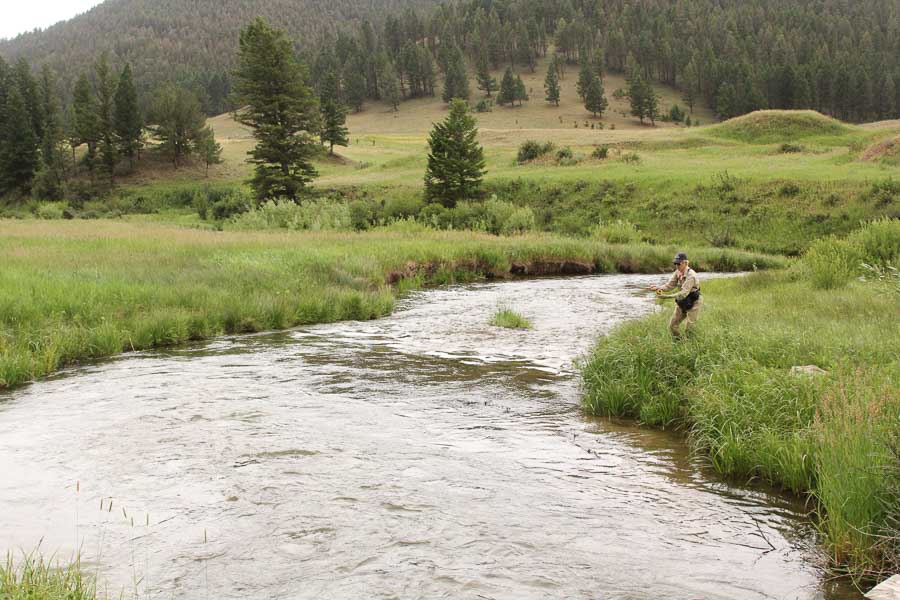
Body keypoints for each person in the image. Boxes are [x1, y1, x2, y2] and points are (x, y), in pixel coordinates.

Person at [649, 252, 702, 339]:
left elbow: (683, 293)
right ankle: (679, 343)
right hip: (682, 301)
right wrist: (658, 288)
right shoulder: (677, 272)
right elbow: (670, 285)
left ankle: (690, 346)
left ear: (685, 263)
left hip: (694, 301)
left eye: (679, 263)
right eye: (675, 263)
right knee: (672, 326)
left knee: (689, 329)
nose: (677, 266)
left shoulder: (691, 275)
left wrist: (666, 297)